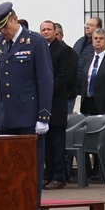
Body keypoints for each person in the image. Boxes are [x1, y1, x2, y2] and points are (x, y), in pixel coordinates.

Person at [0, 3, 52, 210]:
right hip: (6, 115)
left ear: (15, 19)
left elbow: (45, 80)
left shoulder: (35, 42)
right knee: (6, 166)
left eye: (5, 27)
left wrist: (43, 116)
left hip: (30, 115)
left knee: (30, 167)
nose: (3, 32)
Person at [41, 20, 77, 190]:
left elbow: (65, 77)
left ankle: (58, 177)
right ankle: (47, 175)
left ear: (55, 32)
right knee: (45, 142)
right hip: (41, 104)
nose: (46, 32)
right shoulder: (40, 49)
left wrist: (46, 90)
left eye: (49, 29)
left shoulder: (65, 50)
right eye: (43, 29)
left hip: (56, 102)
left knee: (57, 142)